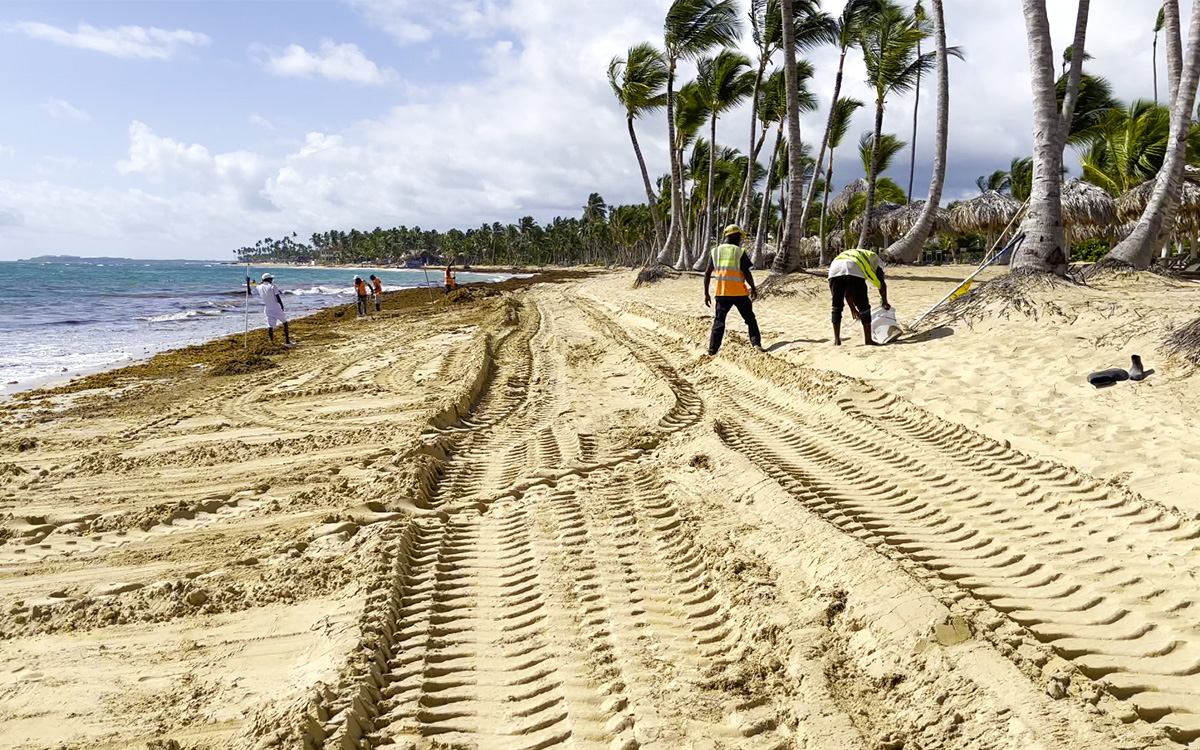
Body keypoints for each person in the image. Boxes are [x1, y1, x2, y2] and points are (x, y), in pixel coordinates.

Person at [704, 224, 762, 355]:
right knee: (750, 319)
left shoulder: (715, 252)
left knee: (719, 322)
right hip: (739, 293)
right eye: (739, 236)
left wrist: (706, 293)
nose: (740, 239)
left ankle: (712, 350)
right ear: (734, 237)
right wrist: (753, 288)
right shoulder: (739, 252)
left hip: (722, 293)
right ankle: (756, 344)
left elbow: (707, 273)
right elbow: (746, 272)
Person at [828, 248, 890, 346]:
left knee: (837, 306)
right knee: (864, 306)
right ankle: (868, 340)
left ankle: (837, 341)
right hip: (853, 267)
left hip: (834, 269)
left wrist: (853, 309)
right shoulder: (875, 259)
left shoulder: (860, 255)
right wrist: (885, 301)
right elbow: (881, 283)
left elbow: (848, 293)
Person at [251, 272, 293, 345]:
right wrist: (282, 306)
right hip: (276, 307)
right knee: (285, 323)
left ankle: (272, 342)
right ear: (269, 279)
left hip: (267, 308)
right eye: (271, 279)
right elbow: (278, 298)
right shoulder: (272, 287)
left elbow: (251, 291)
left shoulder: (259, 287)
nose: (272, 280)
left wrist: (249, 282)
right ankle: (287, 341)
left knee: (270, 326)